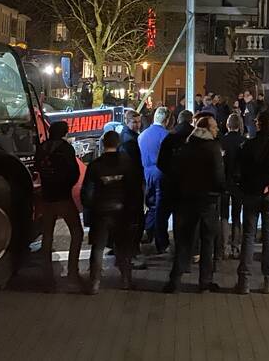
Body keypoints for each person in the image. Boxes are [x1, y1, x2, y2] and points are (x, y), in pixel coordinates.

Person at [165, 115, 226, 293]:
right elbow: (218, 176)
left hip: (186, 200)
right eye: (214, 127)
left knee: (184, 241)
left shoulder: (186, 146)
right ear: (206, 129)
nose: (216, 130)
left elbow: (174, 172)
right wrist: (221, 189)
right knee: (207, 241)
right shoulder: (213, 148)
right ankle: (205, 282)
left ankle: (174, 280)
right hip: (207, 201)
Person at [235, 112, 269, 295]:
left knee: (248, 236)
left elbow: (240, 171)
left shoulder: (248, 145)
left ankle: (244, 281)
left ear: (258, 125)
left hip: (251, 194)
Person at [81, 129, 143, 294]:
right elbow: (135, 189)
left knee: (98, 247)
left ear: (103, 144)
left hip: (101, 211)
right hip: (122, 211)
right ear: (118, 144)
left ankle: (94, 282)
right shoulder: (127, 163)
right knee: (123, 246)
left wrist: (90, 208)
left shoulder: (95, 165)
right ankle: (125, 280)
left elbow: (87, 192)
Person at [35, 120, 83, 291]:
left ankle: (46, 277)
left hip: (47, 197)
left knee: (47, 237)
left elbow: (36, 167)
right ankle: (72, 272)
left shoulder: (42, 147)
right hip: (63, 197)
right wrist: (67, 185)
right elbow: (74, 173)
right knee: (76, 232)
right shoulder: (65, 148)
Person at [156, 109, 195, 260]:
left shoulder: (169, 136)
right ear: (191, 120)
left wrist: (170, 173)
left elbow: (161, 162)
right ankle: (185, 247)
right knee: (185, 217)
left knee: (163, 214)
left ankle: (163, 244)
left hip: (169, 183)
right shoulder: (195, 136)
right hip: (189, 184)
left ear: (178, 120)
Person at [138, 106, 170, 252]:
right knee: (161, 210)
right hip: (161, 175)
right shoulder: (166, 135)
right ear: (167, 120)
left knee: (151, 206)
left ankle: (145, 232)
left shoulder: (143, 135)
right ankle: (161, 242)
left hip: (147, 174)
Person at [221, 113, 247, 256]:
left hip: (225, 181)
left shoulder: (222, 141)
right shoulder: (244, 142)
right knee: (237, 214)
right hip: (239, 182)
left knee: (224, 214)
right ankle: (236, 246)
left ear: (227, 124)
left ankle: (224, 246)